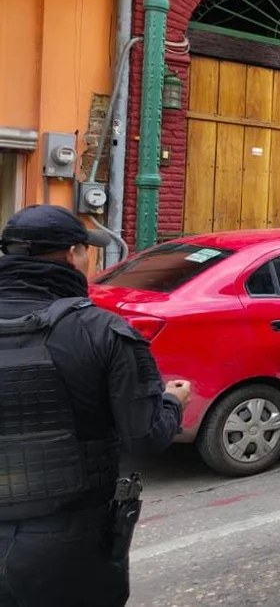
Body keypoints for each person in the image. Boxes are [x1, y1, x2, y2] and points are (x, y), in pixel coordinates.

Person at [0, 205, 191, 606]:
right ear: (73, 254)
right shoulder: (104, 332)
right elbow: (145, 437)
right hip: (67, 545)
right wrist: (173, 402)